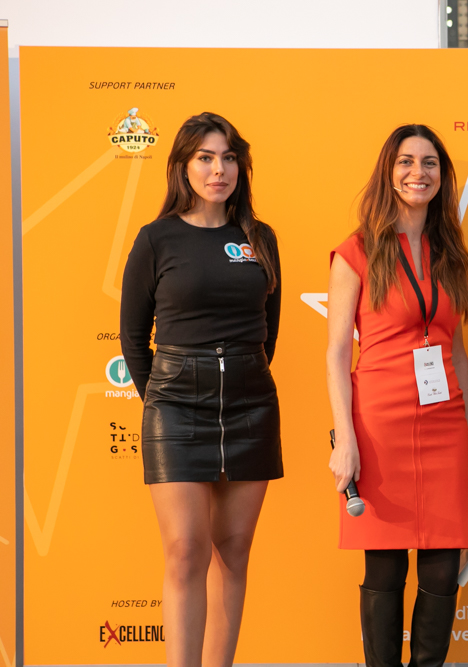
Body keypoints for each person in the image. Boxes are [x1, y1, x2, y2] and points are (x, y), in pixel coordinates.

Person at [120, 112, 282, 667]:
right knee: (186, 550)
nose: (219, 170)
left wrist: (239, 378)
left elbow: (269, 331)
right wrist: (164, 398)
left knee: (233, 552)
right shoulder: (156, 238)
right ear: (183, 167)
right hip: (175, 404)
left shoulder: (260, 238)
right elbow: (133, 337)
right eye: (206, 158)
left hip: (250, 403)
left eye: (229, 158)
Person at [326, 124, 468, 667]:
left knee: (443, 568)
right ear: (388, 172)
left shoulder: (450, 254)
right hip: (379, 423)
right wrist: (344, 440)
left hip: (444, 422)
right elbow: (336, 354)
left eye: (429, 163)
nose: (418, 172)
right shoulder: (356, 251)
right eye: (406, 161)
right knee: (386, 565)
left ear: (442, 177)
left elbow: (457, 355)